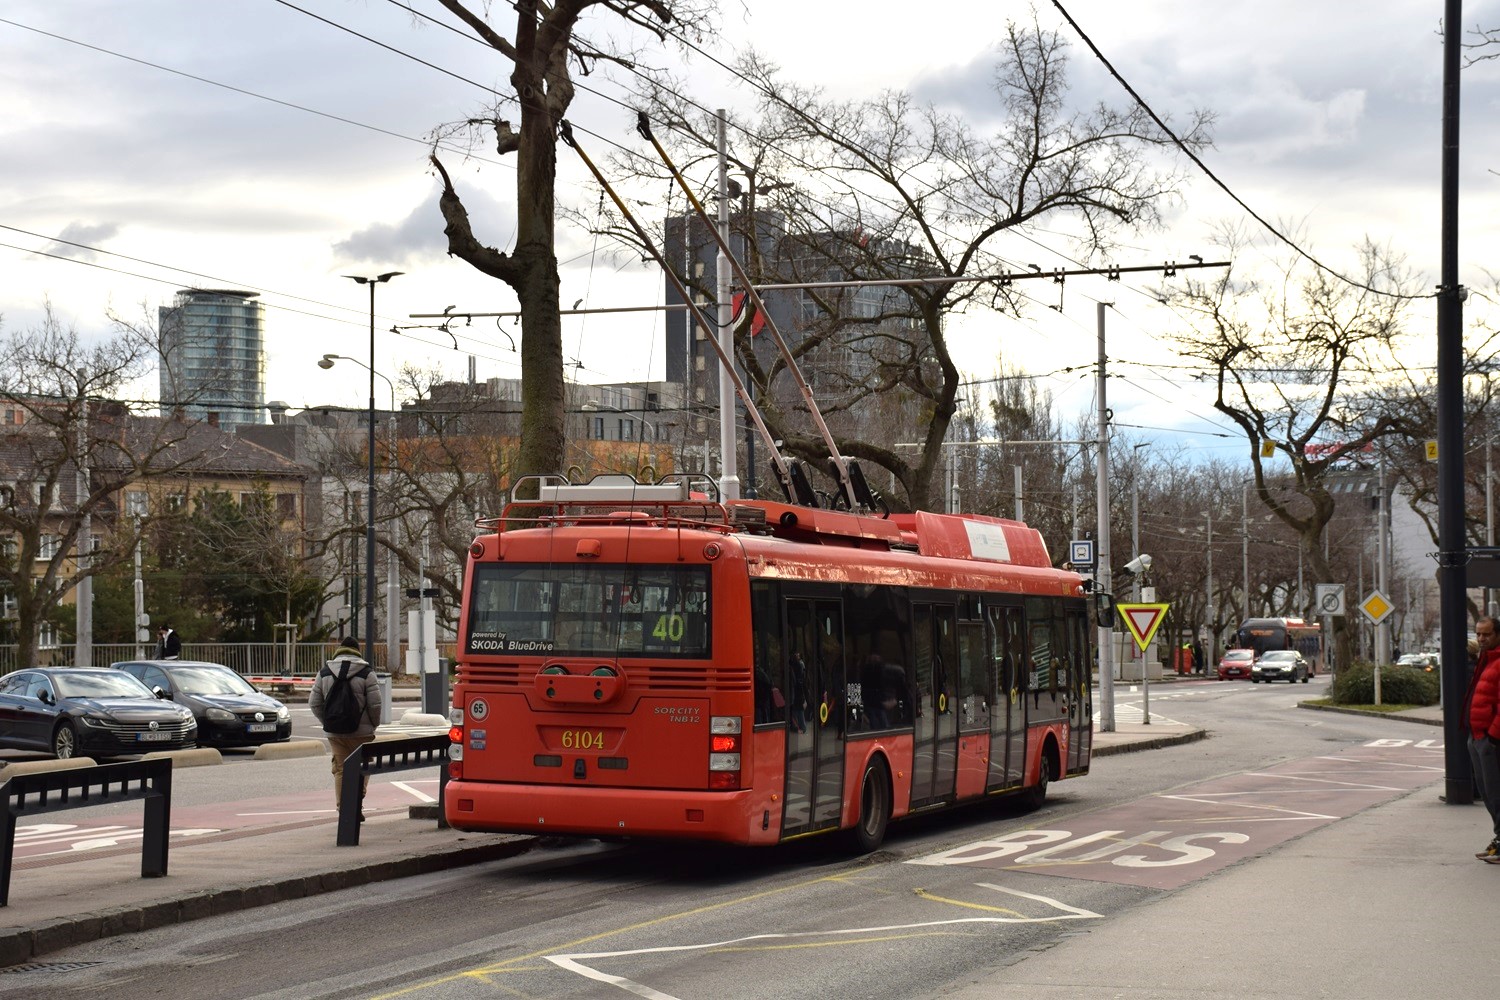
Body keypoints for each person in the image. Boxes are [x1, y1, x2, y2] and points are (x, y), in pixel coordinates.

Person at [309, 636, 383, 821]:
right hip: (362, 733)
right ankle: (357, 804)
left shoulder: (324, 672)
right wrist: (373, 724)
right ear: (358, 651)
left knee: (341, 769)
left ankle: (345, 810)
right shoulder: (367, 672)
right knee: (363, 767)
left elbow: (314, 703)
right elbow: (375, 705)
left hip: (336, 733)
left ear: (339, 651)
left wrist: (327, 720)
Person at [1463, 617, 1500, 862]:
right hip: (1476, 737)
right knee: (1488, 793)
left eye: (1486, 634)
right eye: (1478, 634)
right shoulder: (1485, 660)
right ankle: (1498, 838)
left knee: (1497, 792)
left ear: (1497, 635)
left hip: (1490, 740)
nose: (1481, 639)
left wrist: (1493, 737)